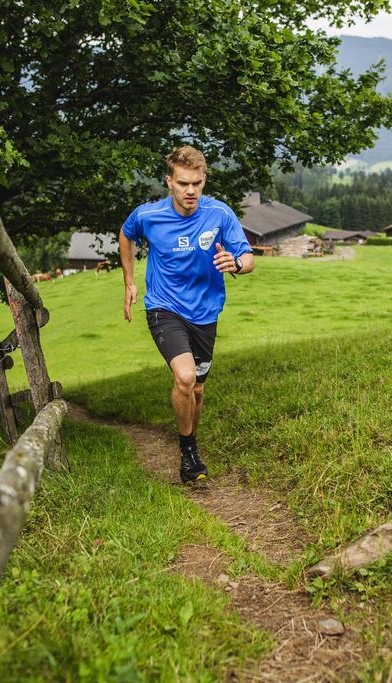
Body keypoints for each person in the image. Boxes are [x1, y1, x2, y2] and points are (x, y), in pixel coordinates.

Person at [119, 146, 255, 483]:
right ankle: (188, 451)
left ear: (204, 180)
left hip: (206, 311)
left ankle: (190, 439)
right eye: (182, 183)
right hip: (164, 307)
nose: (190, 191)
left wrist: (235, 263)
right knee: (185, 377)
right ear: (169, 182)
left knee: (197, 391)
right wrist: (129, 282)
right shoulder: (148, 216)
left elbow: (248, 257)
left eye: (196, 183)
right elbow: (126, 235)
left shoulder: (220, 214)